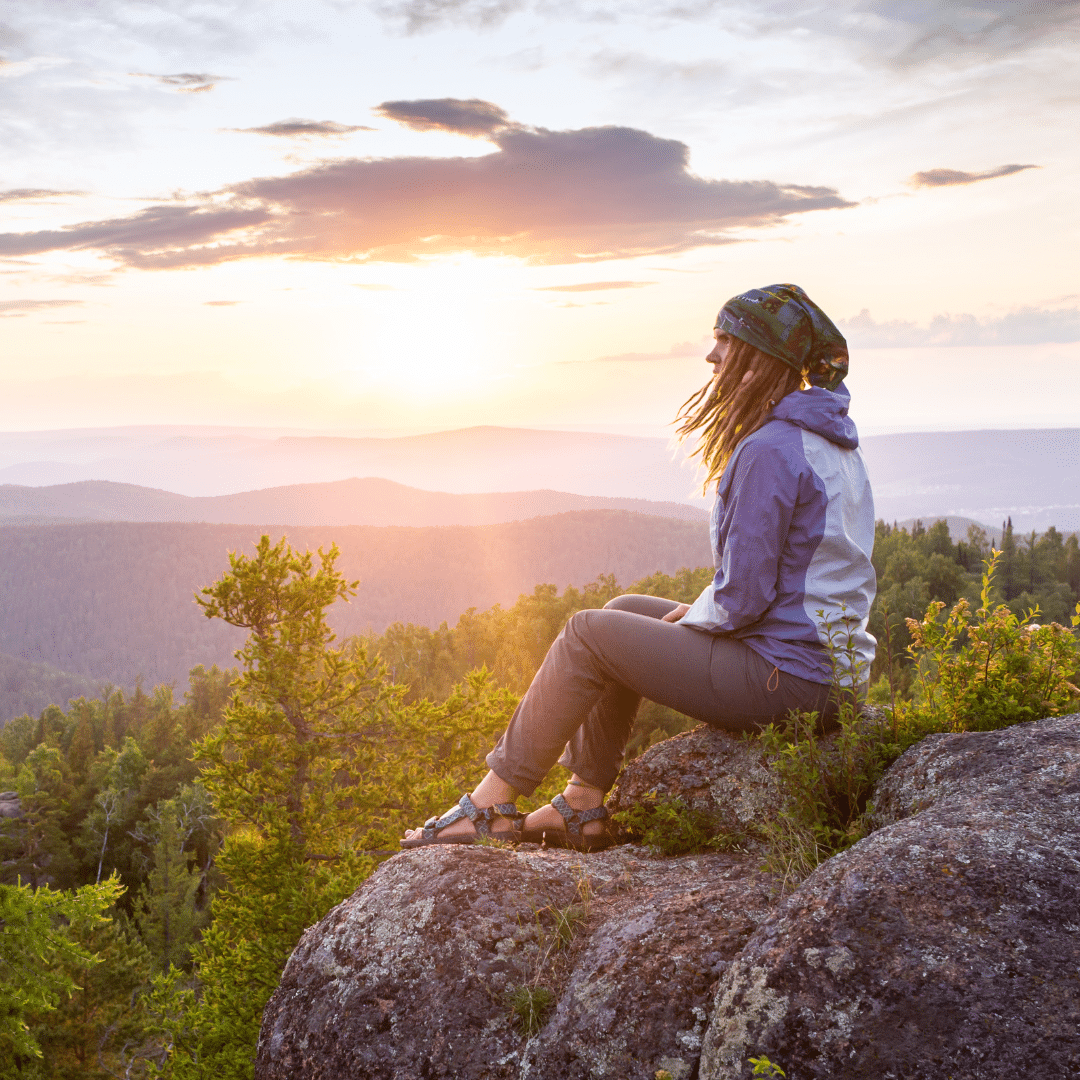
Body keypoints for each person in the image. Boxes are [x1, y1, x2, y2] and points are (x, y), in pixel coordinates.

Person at [401, 283, 877, 852]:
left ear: (757, 359)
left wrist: (700, 616)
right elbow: (783, 576)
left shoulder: (770, 450)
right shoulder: (823, 441)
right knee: (622, 611)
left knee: (587, 633)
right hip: (824, 674)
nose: (712, 355)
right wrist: (695, 613)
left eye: (726, 340)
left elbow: (743, 599)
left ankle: (490, 806)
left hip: (790, 682)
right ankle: (582, 804)